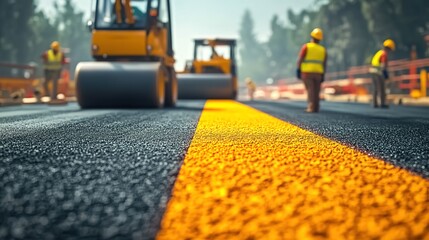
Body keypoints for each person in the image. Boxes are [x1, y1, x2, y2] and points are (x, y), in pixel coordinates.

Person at [296, 28, 327, 113]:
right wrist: (323, 74)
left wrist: (298, 70)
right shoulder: (323, 49)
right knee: (316, 90)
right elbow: (324, 63)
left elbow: (300, 59)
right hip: (318, 73)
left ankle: (311, 107)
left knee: (310, 89)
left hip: (307, 73)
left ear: (312, 37)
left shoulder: (306, 47)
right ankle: (316, 107)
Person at [369, 39, 395, 108]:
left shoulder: (379, 52)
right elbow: (383, 65)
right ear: (389, 48)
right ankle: (382, 103)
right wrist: (386, 74)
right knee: (382, 88)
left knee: (375, 88)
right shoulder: (384, 54)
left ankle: (375, 104)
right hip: (378, 72)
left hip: (373, 71)